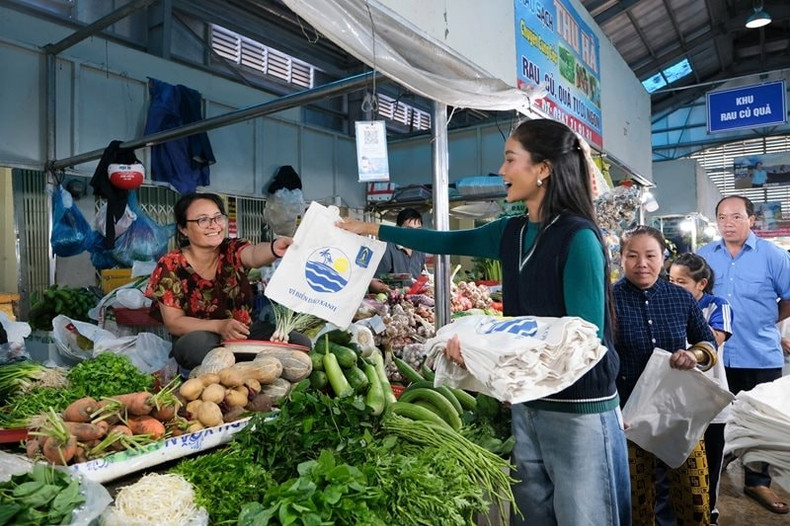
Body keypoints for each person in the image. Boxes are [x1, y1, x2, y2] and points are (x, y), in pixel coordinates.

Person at [339, 118, 630, 525]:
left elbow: (583, 342)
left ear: (543, 169)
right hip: (527, 402)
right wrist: (371, 228)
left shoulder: (578, 239)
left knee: (585, 516)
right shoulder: (511, 232)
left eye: (511, 159)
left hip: (578, 407)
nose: (502, 170)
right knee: (532, 514)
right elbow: (445, 241)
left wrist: (488, 353)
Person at [613, 225, 716, 526]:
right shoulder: (607, 299)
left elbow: (707, 342)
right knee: (637, 498)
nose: (641, 263)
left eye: (650, 255)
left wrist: (693, 355)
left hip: (678, 411)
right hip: (628, 414)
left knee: (695, 494)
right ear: (621, 259)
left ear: (663, 258)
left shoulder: (680, 298)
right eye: (632, 255)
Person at [145, 192, 310, 373]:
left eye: (218, 217)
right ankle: (242, 368)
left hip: (244, 333)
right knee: (194, 346)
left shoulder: (232, 248)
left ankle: (247, 368)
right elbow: (174, 323)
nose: (213, 225)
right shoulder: (171, 264)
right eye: (203, 220)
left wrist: (274, 248)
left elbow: (253, 255)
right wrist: (219, 326)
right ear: (184, 229)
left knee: (299, 343)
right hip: (203, 337)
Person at [698, 195, 790, 515]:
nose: (728, 223)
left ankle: (757, 480)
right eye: (722, 217)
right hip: (715, 356)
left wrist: (766, 321)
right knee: (714, 417)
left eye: (736, 217)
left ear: (752, 220)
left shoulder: (773, 256)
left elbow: (789, 297)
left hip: (759, 352)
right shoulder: (704, 255)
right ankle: (717, 463)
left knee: (759, 419)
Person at [669, 252, 734, 526]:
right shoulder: (665, 303)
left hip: (710, 399)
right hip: (676, 400)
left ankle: (709, 514)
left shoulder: (717, 306)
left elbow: (713, 340)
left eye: (681, 281)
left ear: (701, 284)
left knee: (710, 460)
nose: (673, 286)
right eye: (670, 280)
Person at [368, 208, 427, 294]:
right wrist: (401, 291)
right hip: (387, 303)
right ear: (397, 229)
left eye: (418, 230)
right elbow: (372, 282)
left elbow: (418, 279)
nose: (414, 234)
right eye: (409, 229)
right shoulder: (387, 248)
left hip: (411, 302)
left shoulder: (420, 250)